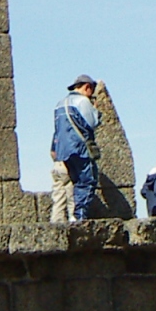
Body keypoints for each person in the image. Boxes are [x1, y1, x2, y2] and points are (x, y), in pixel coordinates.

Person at [50, 75, 101, 222]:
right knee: (87, 180)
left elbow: (57, 130)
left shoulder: (60, 104)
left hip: (63, 151)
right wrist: (95, 110)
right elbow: (92, 122)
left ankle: (72, 217)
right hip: (79, 149)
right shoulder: (82, 101)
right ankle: (79, 216)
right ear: (87, 87)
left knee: (73, 183)